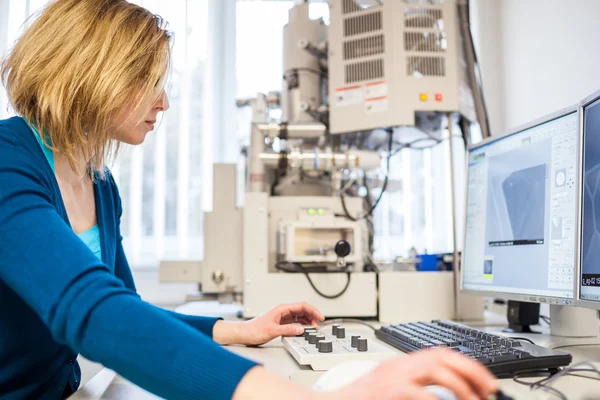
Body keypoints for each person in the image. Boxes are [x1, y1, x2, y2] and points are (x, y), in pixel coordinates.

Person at [0, 0, 499, 399]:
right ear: (91, 73)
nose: (164, 102)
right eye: (147, 81)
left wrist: (237, 329)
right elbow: (94, 311)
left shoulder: (99, 185)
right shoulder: (8, 162)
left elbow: (126, 308)